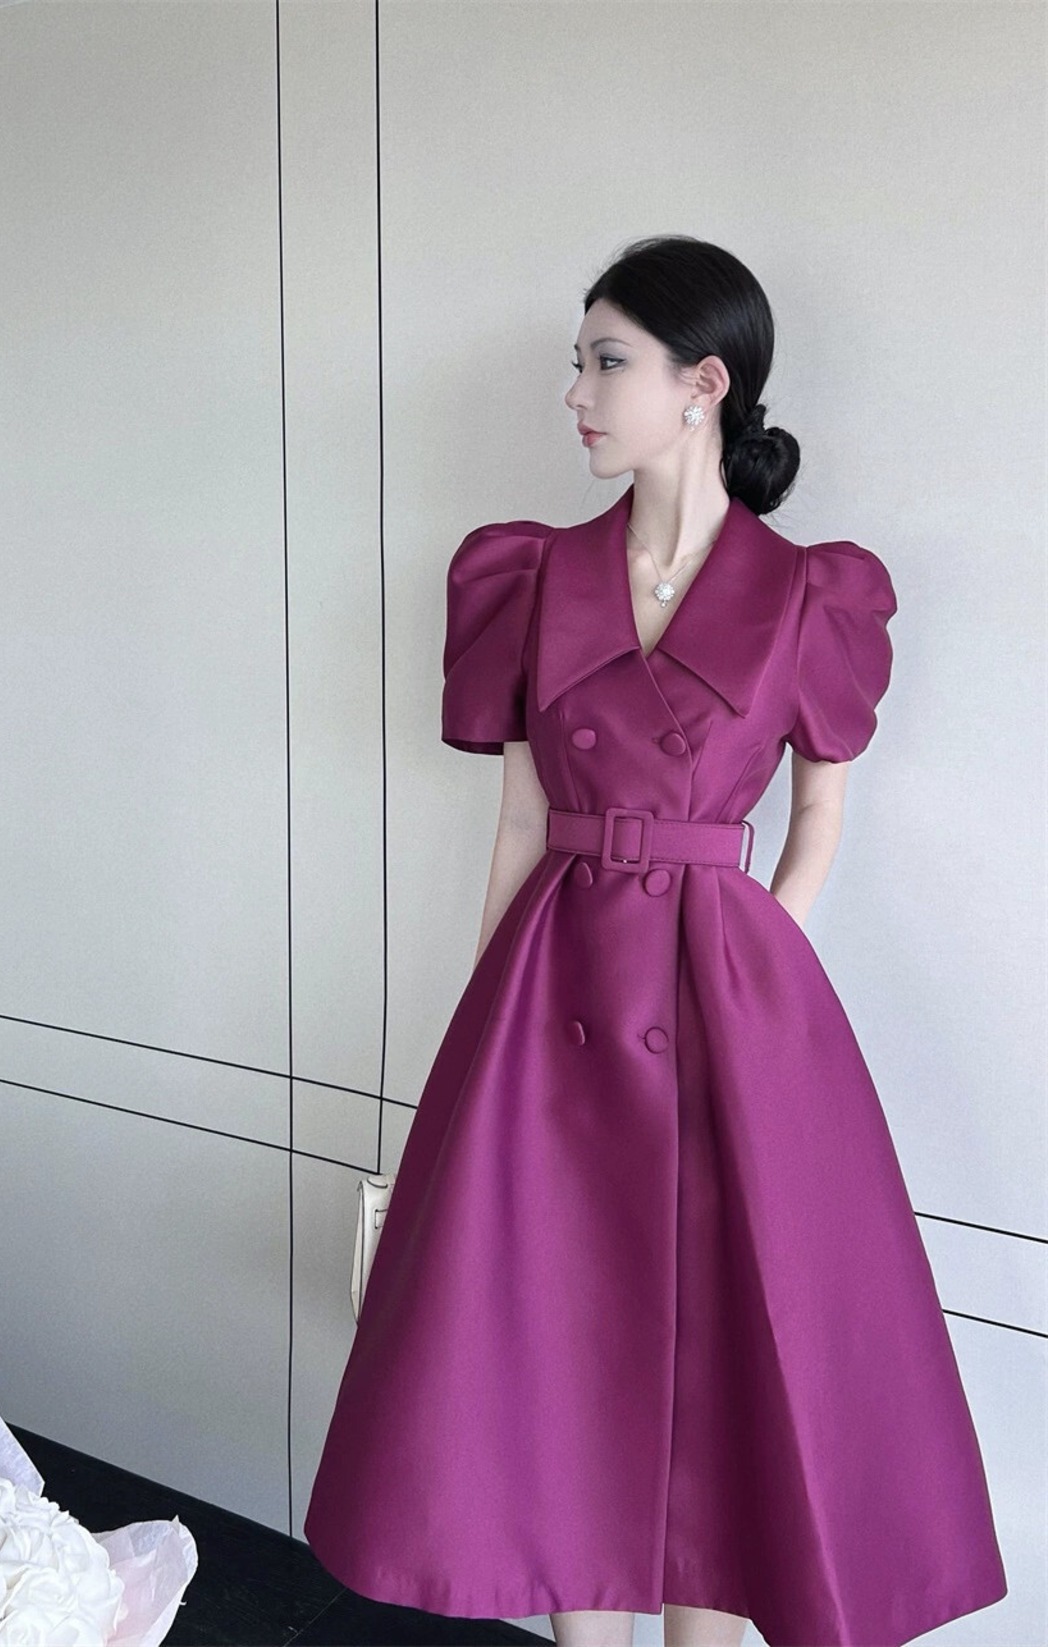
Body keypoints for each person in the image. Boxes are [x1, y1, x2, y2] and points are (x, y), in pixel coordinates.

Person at [304, 235, 1007, 1647]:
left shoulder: (808, 592)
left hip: (730, 1008)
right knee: (556, 1337)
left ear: (704, 384)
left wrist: (759, 968)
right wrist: (484, 1035)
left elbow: (819, 813)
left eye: (604, 362)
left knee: (726, 1347)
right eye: (579, 363)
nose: (575, 393)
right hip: (551, 989)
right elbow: (520, 821)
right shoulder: (526, 575)